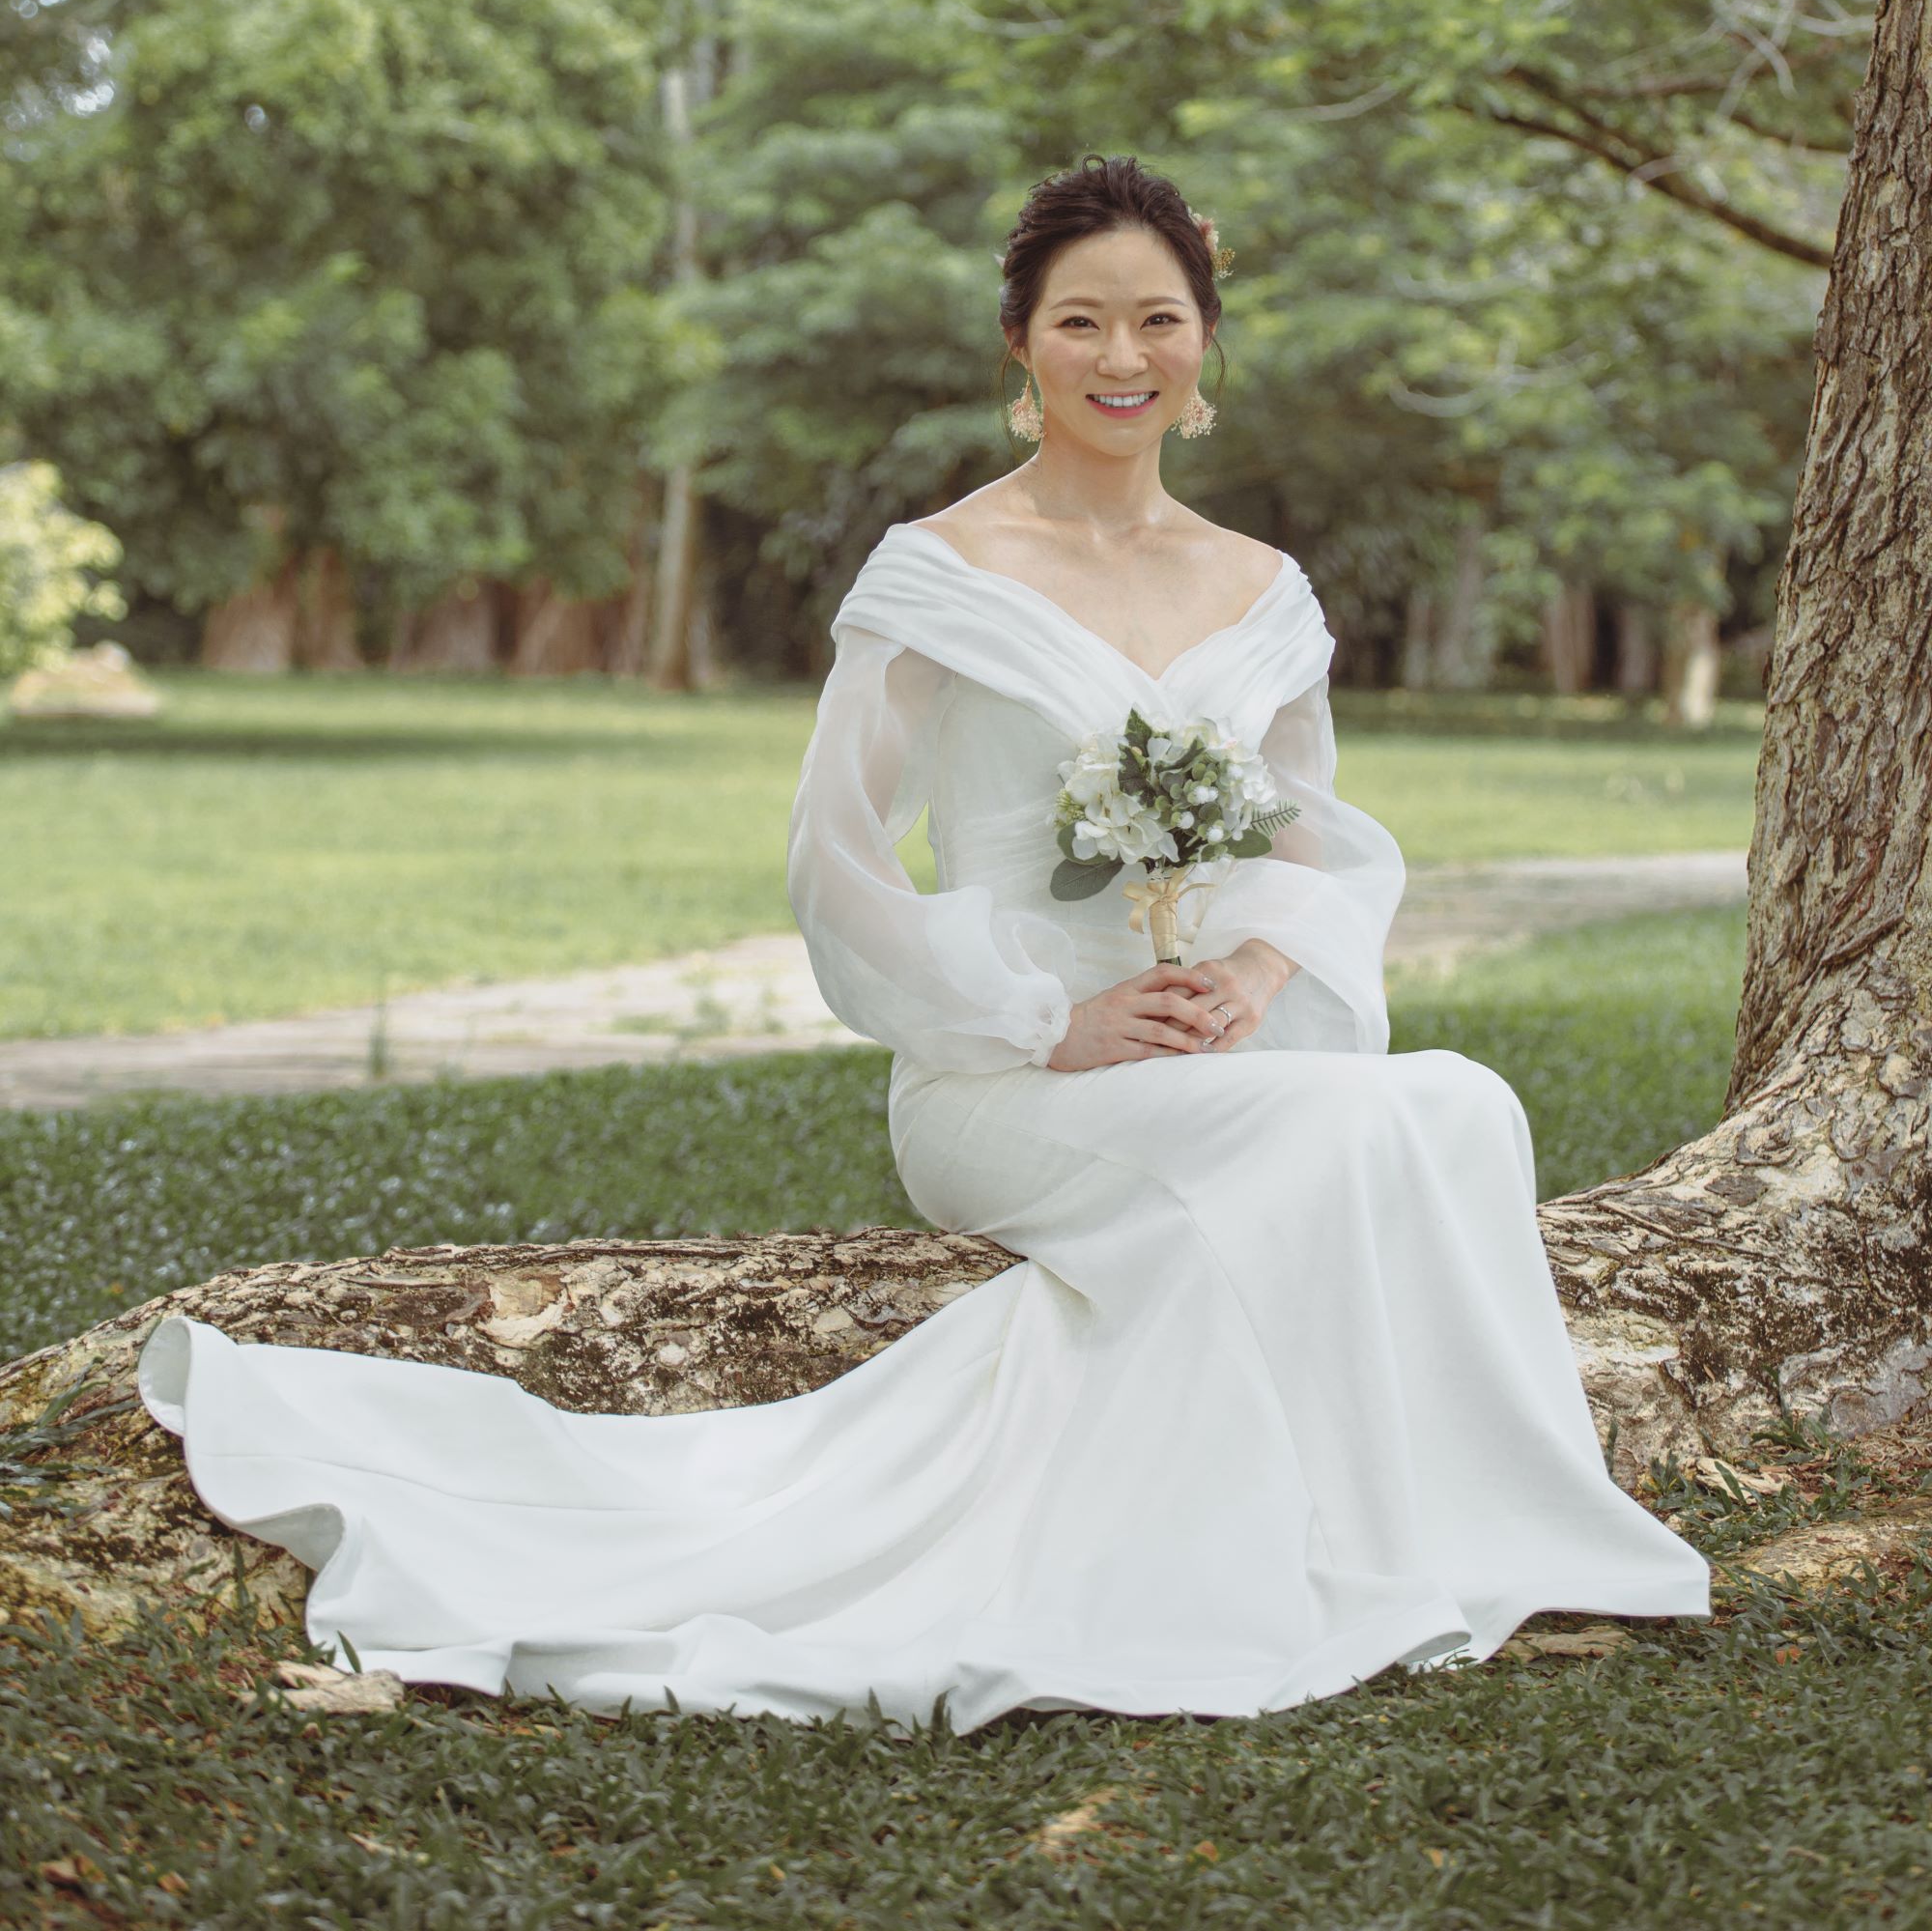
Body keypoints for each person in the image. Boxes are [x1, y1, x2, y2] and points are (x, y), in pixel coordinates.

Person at [140, 154, 1708, 1726]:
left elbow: (1314, 840)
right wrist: (1047, 1021)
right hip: (1006, 1076)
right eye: (1082, 322)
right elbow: (836, 860)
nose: (1121, 359)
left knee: (1459, 1101)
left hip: (1224, 1054)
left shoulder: (1261, 588)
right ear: (1021, 341)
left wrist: (1247, 975)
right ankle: (1341, 1546)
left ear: (1206, 347)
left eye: (1158, 322)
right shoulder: (943, 573)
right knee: (1376, 1127)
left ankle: (1458, 1527)